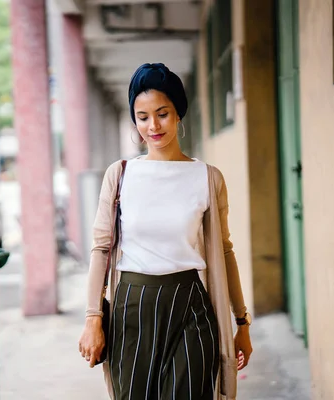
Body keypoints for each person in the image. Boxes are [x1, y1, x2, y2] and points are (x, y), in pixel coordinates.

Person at [78, 63, 253, 400]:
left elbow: (224, 251)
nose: (153, 126)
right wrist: (93, 318)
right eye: (142, 116)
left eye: (162, 113)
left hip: (190, 305)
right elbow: (101, 250)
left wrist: (241, 322)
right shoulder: (120, 175)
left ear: (178, 115)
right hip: (132, 310)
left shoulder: (206, 177)